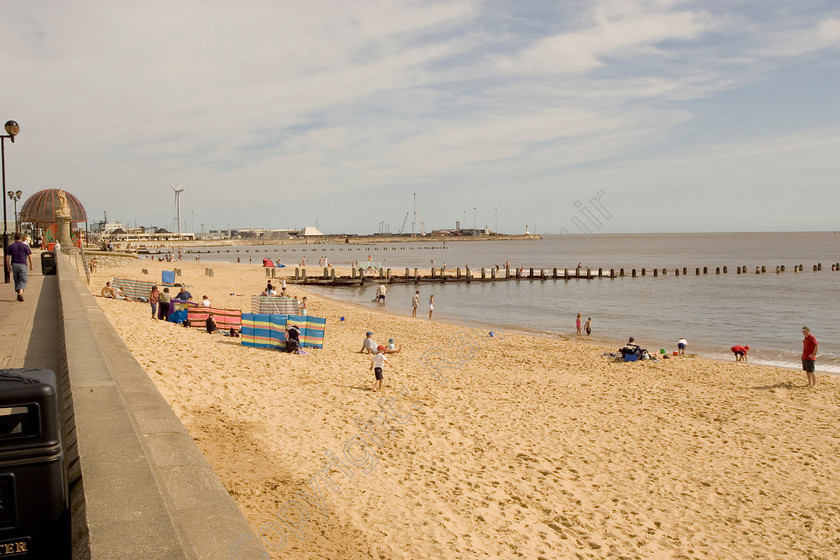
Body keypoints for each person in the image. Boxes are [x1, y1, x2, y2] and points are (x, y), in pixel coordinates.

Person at [5, 233, 32, 302]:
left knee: (16, 279)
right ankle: (20, 293)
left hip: (14, 264)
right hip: (22, 264)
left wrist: (7, 266)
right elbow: (29, 256)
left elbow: (7, 257)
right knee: (23, 279)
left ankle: (18, 293)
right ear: (21, 238)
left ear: (15, 238)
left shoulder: (11, 246)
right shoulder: (25, 246)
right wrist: (31, 264)